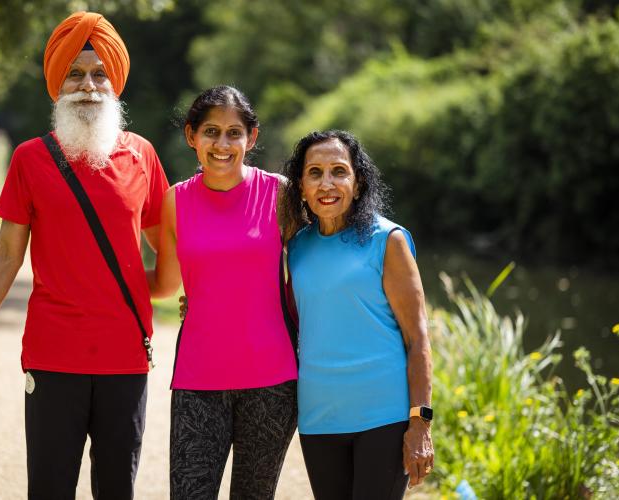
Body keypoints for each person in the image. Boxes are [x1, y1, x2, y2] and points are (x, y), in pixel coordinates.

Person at [0, 11, 169, 500]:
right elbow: (5, 256)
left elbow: (170, 252)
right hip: (54, 358)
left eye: (99, 74)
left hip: (127, 359)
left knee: (118, 490)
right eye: (75, 73)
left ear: (115, 83)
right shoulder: (30, 158)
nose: (88, 85)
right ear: (57, 83)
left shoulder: (143, 155)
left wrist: (188, 294)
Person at [148, 85, 298, 499]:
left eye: (234, 132)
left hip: (273, 380)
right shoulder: (175, 200)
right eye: (211, 131)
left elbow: (311, 272)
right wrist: (98, 279)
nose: (222, 143)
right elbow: (164, 284)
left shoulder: (280, 193)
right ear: (191, 136)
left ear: (251, 138)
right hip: (198, 379)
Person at [281, 130, 434, 500]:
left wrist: (420, 423)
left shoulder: (388, 240)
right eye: (314, 173)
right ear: (301, 186)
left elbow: (418, 339)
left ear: (358, 181)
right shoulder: (295, 247)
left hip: (383, 417)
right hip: (318, 417)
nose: (327, 183)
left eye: (339, 171)